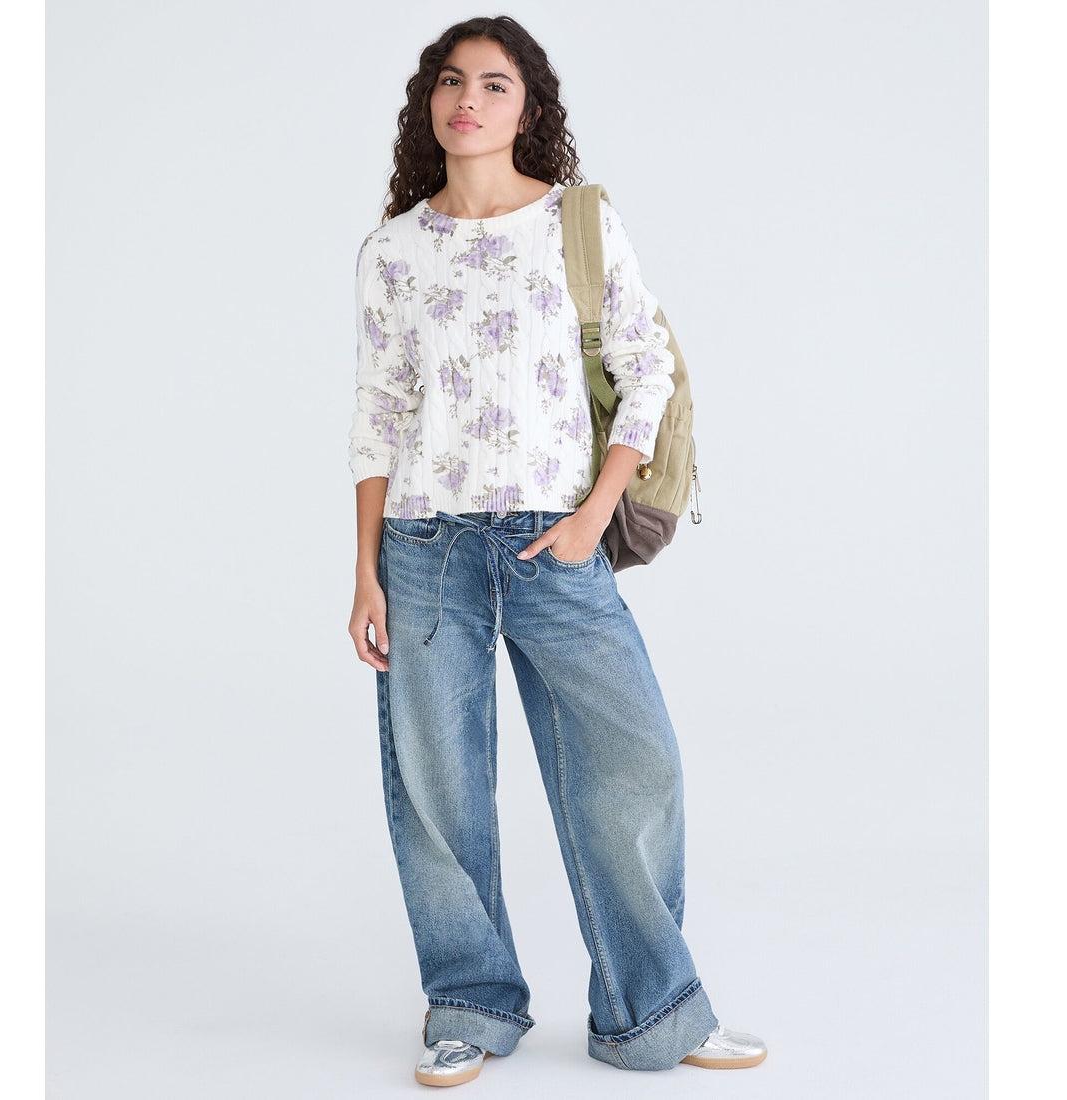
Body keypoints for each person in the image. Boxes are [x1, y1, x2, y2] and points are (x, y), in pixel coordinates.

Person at [348, 15, 765, 1087]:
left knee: (634, 762)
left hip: (553, 538)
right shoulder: (393, 250)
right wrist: (364, 571)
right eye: (451, 80)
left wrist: (593, 514)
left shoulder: (576, 222)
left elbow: (645, 369)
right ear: (428, 102)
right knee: (437, 787)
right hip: (424, 546)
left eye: (494, 83)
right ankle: (470, 1005)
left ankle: (651, 1010)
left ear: (527, 107)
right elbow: (378, 414)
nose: (468, 99)